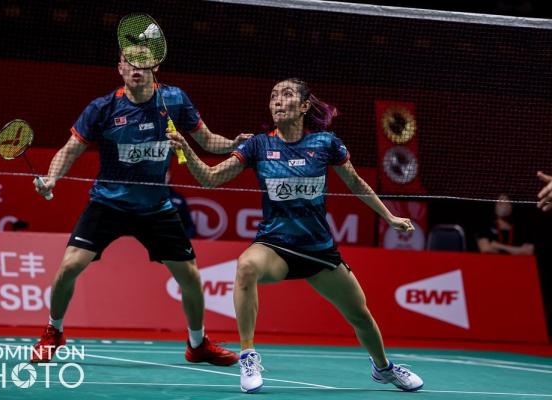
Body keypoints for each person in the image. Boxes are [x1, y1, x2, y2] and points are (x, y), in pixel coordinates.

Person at [168, 78, 423, 393]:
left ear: (303, 106)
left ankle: (383, 368)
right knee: (246, 266)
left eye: (286, 95)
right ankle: (248, 356)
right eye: (273, 96)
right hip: (275, 244)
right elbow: (209, 178)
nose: (277, 100)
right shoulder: (258, 145)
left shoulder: (326, 144)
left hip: (318, 249)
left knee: (360, 314)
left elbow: (356, 183)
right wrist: (186, 150)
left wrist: (390, 216)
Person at [30, 45, 251, 365]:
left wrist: (233, 144)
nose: (136, 69)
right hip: (108, 203)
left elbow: (207, 140)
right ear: (119, 68)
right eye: (129, 63)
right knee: (69, 267)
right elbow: (70, 150)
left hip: (155, 207)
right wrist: (52, 178)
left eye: (143, 63)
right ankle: (54, 331)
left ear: (155, 67)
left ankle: (197, 344)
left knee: (190, 277)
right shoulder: (103, 108)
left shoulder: (174, 100)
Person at [166, 171, 196, 238]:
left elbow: (190, 226)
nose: (163, 177)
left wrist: (185, 238)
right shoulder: (148, 198)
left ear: (169, 176)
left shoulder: (179, 199)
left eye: (166, 174)